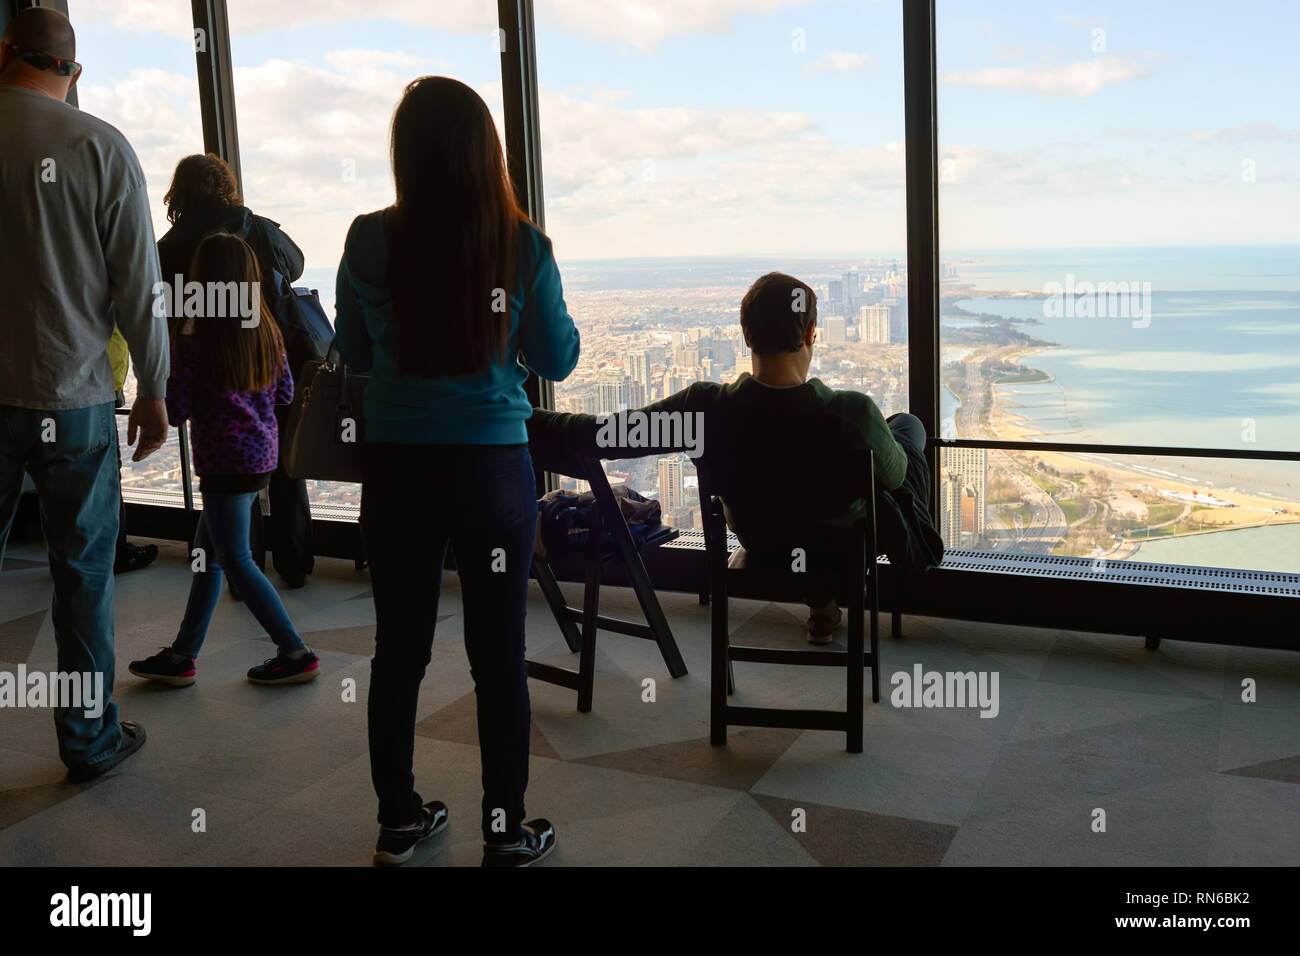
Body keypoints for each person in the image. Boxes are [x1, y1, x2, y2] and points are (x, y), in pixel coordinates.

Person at [333, 76, 580, 867]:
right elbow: (559, 358)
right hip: (492, 471)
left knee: (397, 649)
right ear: (488, 154)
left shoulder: (369, 239)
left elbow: (357, 352)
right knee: (497, 654)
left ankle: (398, 817)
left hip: (399, 468)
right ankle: (505, 831)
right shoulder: (522, 245)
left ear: (406, 153)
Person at [530, 272, 943, 643]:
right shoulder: (853, 412)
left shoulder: (704, 409)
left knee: (883, 445)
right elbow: (896, 476)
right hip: (841, 551)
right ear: (812, 333)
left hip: (762, 543)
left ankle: (821, 601)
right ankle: (859, 580)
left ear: (746, 336)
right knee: (907, 427)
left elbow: (601, 435)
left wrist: (512, 414)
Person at [0, 7, 167, 781]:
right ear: (74, 71)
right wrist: (157, 389)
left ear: (5, 53)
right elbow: (140, 289)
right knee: (82, 578)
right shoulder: (99, 145)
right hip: (73, 399)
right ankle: (89, 738)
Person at [127, 233, 319, 687]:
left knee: (235, 559)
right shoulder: (267, 329)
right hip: (260, 458)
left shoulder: (195, 336)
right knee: (208, 557)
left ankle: (295, 652)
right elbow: (286, 393)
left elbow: (175, 408)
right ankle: (182, 655)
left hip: (223, 463)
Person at [157, 152, 315, 590]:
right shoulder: (258, 228)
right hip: (268, 354)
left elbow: (165, 305)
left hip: (206, 367)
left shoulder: (168, 248)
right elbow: (296, 266)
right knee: (284, 458)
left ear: (179, 192)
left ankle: (243, 566)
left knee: (228, 469)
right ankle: (295, 559)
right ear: (227, 184)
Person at [108, 326, 160, 573]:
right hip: (92, 387)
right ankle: (116, 552)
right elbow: (141, 320)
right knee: (105, 474)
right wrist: (151, 392)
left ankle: (64, 557)